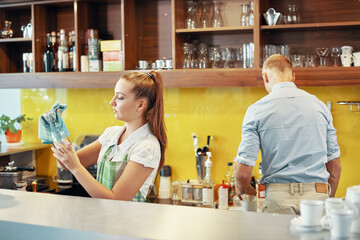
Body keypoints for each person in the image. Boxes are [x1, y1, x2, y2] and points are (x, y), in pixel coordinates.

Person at [234, 54, 341, 215]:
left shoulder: (256, 111)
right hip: (318, 197)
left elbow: (242, 173)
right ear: (293, 76)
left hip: (278, 199)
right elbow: (335, 166)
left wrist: (244, 189)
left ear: (265, 77)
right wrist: (326, 197)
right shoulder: (320, 107)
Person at [51, 71, 167, 202]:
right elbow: (66, 163)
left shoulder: (146, 146)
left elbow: (116, 199)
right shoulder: (111, 134)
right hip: (104, 218)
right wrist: (55, 130)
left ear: (140, 105)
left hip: (129, 221)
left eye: (120, 97)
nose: (112, 102)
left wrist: (76, 168)